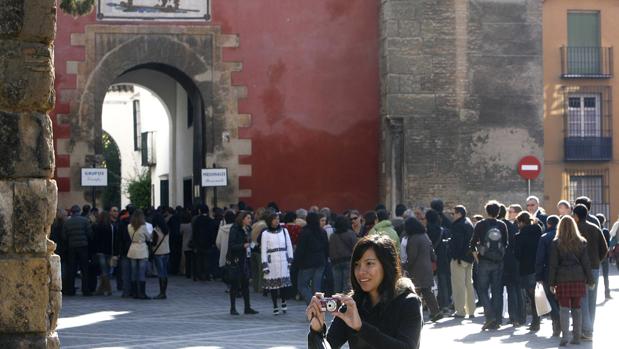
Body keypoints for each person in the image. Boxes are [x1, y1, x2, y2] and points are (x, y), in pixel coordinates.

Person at [306, 235, 423, 349]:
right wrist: (317, 331)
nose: (361, 271)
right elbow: (329, 345)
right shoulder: (352, 305)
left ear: (386, 265)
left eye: (369, 263)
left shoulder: (408, 302)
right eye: (357, 265)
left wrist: (361, 328)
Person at [548, 216, 594, 346]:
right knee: (576, 307)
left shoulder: (556, 242)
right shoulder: (581, 242)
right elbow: (586, 263)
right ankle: (577, 337)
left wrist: (551, 282)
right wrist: (590, 280)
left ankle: (565, 337)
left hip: (562, 279)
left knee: (564, 308)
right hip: (578, 278)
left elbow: (553, 264)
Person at [469, 200, 508, 330]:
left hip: (484, 261)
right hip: (498, 262)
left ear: (486, 211)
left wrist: (477, 258)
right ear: (498, 212)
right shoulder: (502, 225)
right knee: (497, 291)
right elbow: (506, 243)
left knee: (482, 290)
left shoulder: (480, 224)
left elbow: (472, 244)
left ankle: (489, 316)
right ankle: (497, 320)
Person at [573, 204, 608, 340]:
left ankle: (586, 329)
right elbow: (604, 248)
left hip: (579, 268)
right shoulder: (595, 228)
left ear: (576, 216)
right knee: (592, 299)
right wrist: (597, 261)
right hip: (594, 267)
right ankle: (589, 328)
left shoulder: (575, 230)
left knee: (582, 298)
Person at [403, 217, 443, 322]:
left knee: (414, 292)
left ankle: (413, 315)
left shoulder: (413, 239)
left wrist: (404, 266)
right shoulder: (425, 236)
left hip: (417, 270)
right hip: (427, 268)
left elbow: (412, 257)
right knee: (427, 292)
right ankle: (436, 312)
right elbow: (433, 254)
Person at [514, 211, 543, 331]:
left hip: (526, 269)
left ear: (521, 222)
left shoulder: (519, 236)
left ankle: (535, 322)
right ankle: (538, 321)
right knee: (539, 295)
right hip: (539, 266)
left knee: (532, 297)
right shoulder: (538, 230)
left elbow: (517, 254)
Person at [261, 211, 294, 315]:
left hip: (283, 260)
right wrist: (264, 264)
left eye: (278, 219)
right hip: (272, 261)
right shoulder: (265, 233)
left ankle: (284, 301)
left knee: (283, 284)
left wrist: (290, 259)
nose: (276, 221)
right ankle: (275, 305)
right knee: (273, 286)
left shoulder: (284, 231)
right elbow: (263, 250)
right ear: (269, 221)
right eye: (274, 219)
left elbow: (289, 246)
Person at [227, 211, 259, 315]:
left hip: (246, 259)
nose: (250, 220)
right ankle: (233, 308)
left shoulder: (248, 229)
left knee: (245, 283)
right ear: (242, 219)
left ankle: (247, 307)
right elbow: (231, 245)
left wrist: (253, 245)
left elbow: (249, 242)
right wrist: (243, 246)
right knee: (235, 284)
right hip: (236, 259)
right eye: (248, 218)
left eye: (250, 218)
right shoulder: (235, 229)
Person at [535, 215, 561, 336]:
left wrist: (538, 276)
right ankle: (563, 322)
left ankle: (556, 323)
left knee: (550, 297)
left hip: (547, 272)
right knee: (562, 298)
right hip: (563, 271)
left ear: (548, 224)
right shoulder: (564, 236)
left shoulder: (544, 237)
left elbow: (540, 259)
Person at [449, 205, 475, 318]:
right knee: (469, 284)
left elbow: (458, 243)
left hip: (459, 259)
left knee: (458, 285)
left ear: (459, 214)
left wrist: (457, 256)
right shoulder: (468, 223)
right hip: (469, 258)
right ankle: (471, 310)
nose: (452, 216)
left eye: (453, 213)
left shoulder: (458, 226)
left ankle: (460, 311)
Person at [62, 205, 94, 296]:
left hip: (72, 247)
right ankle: (85, 290)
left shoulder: (67, 222)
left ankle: (71, 290)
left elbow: (64, 236)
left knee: (72, 269)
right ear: (79, 211)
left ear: (72, 212)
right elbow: (90, 234)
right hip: (83, 247)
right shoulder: (85, 221)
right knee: (84, 269)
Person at [127, 209, 152, 300]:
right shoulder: (143, 227)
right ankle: (142, 293)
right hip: (141, 248)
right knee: (141, 272)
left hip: (133, 248)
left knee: (133, 272)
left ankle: (134, 293)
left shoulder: (129, 226)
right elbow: (148, 238)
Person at [330, 215, 358, 294]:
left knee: (337, 286)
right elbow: (356, 247)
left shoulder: (332, 236)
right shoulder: (351, 234)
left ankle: (337, 302)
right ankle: (346, 303)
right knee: (347, 285)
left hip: (335, 262)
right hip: (348, 261)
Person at [93, 211, 115, 296]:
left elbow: (95, 239)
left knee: (104, 271)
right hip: (109, 251)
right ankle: (101, 289)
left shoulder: (97, 226)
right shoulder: (110, 226)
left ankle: (108, 289)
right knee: (106, 271)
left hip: (100, 251)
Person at [151, 212, 170, 299]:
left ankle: (161, 293)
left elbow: (154, 243)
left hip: (158, 252)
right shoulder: (166, 230)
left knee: (160, 272)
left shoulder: (155, 230)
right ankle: (164, 292)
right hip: (166, 252)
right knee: (165, 272)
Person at [596, 213, 612, 300]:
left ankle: (594, 293)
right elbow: (608, 244)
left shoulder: (594, 229)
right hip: (605, 255)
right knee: (605, 275)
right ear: (604, 221)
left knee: (595, 275)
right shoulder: (605, 231)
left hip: (596, 256)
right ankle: (607, 293)